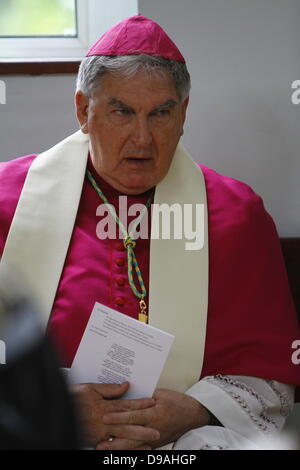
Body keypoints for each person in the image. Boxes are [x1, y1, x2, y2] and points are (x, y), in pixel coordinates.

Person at [0, 15, 299, 450]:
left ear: (184, 113)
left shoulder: (238, 215)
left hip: (183, 441)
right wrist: (53, 407)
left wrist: (195, 410)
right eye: (122, 111)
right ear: (84, 110)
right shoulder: (6, 202)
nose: (143, 140)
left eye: (161, 113)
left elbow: (269, 375)